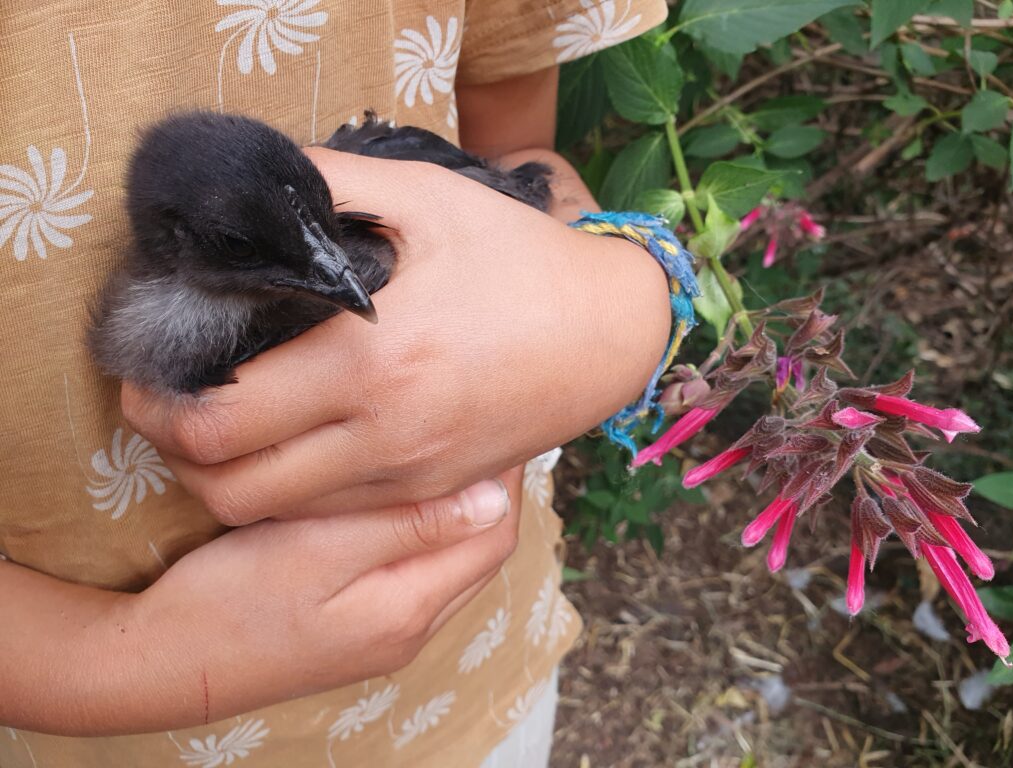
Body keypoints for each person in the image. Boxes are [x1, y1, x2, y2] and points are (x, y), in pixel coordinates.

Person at [0, 0, 670, 765]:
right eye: (240, 246)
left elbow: (525, 162)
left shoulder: (368, 220)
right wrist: (124, 660)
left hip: (475, 676)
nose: (340, 280)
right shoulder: (191, 307)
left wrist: (625, 311)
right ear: (173, 237)